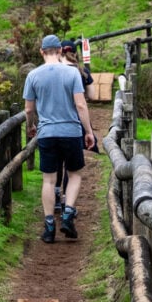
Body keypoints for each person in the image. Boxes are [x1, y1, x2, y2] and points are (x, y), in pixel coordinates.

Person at [24, 34, 95, 243]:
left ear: (41, 52)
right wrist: (89, 131)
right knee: (74, 175)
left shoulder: (33, 75)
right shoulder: (72, 73)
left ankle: (49, 227)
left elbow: (28, 109)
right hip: (71, 132)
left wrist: (31, 126)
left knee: (48, 179)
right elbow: (81, 105)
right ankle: (67, 215)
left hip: (47, 133)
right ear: (61, 50)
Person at [55, 39, 96, 214]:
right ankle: (67, 200)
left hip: (56, 118)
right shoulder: (82, 72)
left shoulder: (54, 71)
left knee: (57, 160)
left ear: (60, 52)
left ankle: (55, 197)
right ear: (75, 52)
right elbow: (92, 95)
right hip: (75, 122)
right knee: (71, 166)